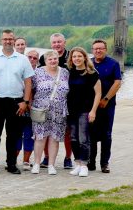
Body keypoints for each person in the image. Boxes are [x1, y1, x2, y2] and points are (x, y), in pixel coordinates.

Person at [0, 30, 33, 175]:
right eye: (5, 39)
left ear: (14, 40)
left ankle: (11, 164)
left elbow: (28, 81)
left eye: (10, 39)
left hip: (16, 103)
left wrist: (25, 101)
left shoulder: (22, 59)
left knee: (13, 135)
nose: (8, 41)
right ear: (1, 41)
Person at [30, 50, 69, 175]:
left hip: (59, 110)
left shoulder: (65, 72)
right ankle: (36, 163)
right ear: (45, 61)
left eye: (55, 58)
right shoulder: (38, 72)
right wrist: (30, 104)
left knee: (54, 137)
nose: (53, 61)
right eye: (50, 59)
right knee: (40, 137)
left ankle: (51, 165)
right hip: (41, 109)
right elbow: (30, 89)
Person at [38, 33, 73, 169]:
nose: (57, 44)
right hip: (48, 101)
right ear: (51, 43)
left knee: (68, 131)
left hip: (67, 99)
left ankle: (68, 158)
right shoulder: (45, 57)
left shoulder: (71, 56)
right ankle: (47, 158)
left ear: (64, 42)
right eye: (54, 42)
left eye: (59, 42)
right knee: (47, 130)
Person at [89, 39, 123, 173]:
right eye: (95, 48)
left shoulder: (113, 63)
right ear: (92, 50)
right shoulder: (89, 63)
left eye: (101, 48)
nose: (98, 51)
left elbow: (117, 83)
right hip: (91, 105)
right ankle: (91, 162)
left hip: (107, 105)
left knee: (106, 134)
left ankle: (104, 163)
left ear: (105, 49)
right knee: (91, 134)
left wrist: (106, 98)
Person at [66, 47, 101, 177]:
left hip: (85, 110)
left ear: (85, 58)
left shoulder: (92, 73)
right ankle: (78, 164)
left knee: (84, 138)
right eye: (74, 56)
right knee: (73, 138)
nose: (77, 59)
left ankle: (85, 165)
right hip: (71, 110)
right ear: (71, 59)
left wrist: (93, 111)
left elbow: (98, 94)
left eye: (79, 56)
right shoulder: (69, 72)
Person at [16, 48, 40, 169]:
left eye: (34, 58)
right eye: (29, 57)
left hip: (34, 108)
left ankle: (26, 160)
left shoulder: (40, 73)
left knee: (29, 134)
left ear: (38, 60)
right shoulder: (19, 69)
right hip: (19, 105)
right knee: (16, 133)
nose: (31, 60)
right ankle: (13, 159)